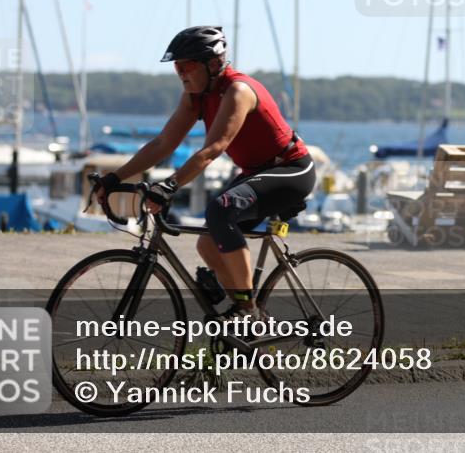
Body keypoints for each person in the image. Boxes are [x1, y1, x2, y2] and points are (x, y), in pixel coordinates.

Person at [95, 26, 315, 316]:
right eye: (177, 68)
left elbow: (214, 149)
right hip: (256, 171)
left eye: (187, 66)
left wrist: (170, 186)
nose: (181, 74)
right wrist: (115, 178)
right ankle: (246, 316)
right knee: (208, 245)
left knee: (220, 210)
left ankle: (248, 311)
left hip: (291, 169)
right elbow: (163, 144)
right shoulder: (195, 96)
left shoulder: (238, 91)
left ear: (213, 64)